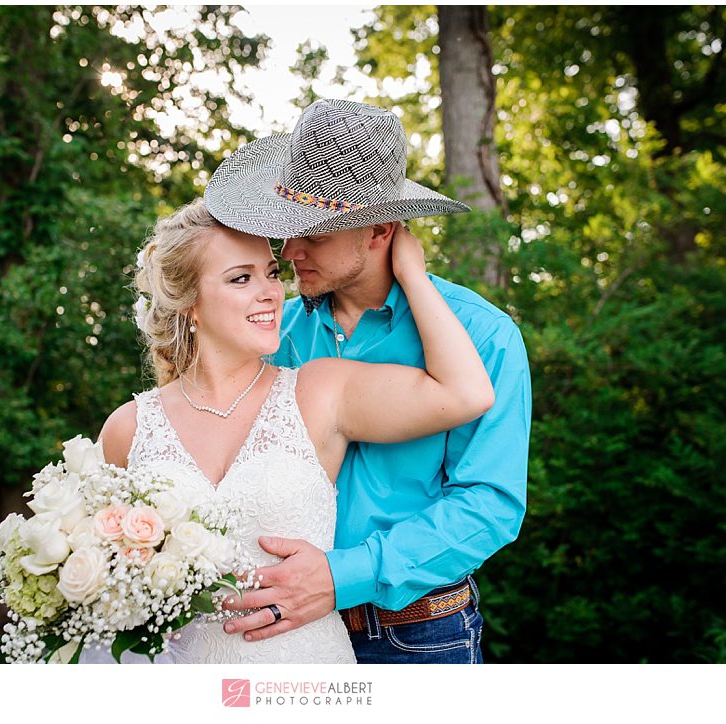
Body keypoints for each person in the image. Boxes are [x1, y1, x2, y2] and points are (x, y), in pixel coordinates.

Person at [85, 196, 493, 664]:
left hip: (372, 641)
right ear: (189, 304)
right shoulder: (129, 427)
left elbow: (468, 400)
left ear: (379, 232)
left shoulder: (318, 387)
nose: (273, 291)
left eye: (270, 274)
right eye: (243, 278)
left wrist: (412, 276)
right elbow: (101, 582)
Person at [204, 98, 532, 663]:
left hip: (416, 636)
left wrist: (342, 574)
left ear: (379, 230)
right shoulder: (272, 332)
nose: (291, 251)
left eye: (316, 234)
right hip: (278, 634)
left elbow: (490, 504)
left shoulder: (484, 337)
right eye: (289, 229)